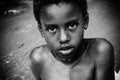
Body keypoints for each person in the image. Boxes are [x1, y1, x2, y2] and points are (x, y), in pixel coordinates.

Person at [29, 0, 115, 80]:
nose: (64, 38)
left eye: (72, 25)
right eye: (52, 28)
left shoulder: (100, 51)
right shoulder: (38, 59)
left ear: (85, 21)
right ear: (41, 30)